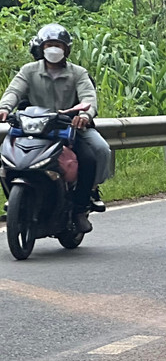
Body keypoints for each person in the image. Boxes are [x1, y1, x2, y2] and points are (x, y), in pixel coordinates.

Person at [0, 24, 113, 233]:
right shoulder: (28, 71)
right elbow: (13, 91)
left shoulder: (78, 73)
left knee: (96, 152)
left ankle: (84, 202)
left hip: (69, 127)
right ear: (41, 48)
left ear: (66, 49)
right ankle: (13, 197)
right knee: (7, 155)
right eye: (50, 45)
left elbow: (89, 97)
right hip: (33, 127)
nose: (54, 49)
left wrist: (84, 116)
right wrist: (4, 108)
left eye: (58, 45)